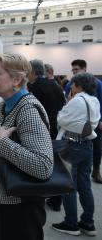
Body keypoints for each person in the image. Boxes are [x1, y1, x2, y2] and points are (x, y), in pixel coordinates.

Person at [0, 53, 53, 240]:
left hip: (20, 209)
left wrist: (4, 143)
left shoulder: (28, 110)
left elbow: (43, 166)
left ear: (17, 79)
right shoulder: (0, 108)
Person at [52, 72, 101, 236]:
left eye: (73, 84)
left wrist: (67, 106)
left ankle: (71, 223)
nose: (71, 86)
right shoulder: (94, 100)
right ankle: (88, 223)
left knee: (68, 186)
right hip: (87, 145)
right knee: (85, 186)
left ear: (79, 85)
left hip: (72, 145)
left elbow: (61, 119)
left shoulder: (78, 100)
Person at [28, 60, 66, 212]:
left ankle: (41, 197)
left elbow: (33, 110)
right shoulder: (55, 85)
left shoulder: (35, 87)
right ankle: (56, 199)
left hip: (42, 129)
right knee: (55, 163)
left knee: (41, 163)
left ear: (33, 72)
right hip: (55, 128)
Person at [64, 59, 102, 184]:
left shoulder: (97, 83)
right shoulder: (70, 84)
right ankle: (75, 175)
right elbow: (67, 103)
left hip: (94, 122)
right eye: (73, 70)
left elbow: (100, 101)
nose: (74, 72)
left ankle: (96, 170)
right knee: (76, 150)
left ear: (84, 68)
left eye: (77, 69)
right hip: (76, 125)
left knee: (96, 147)